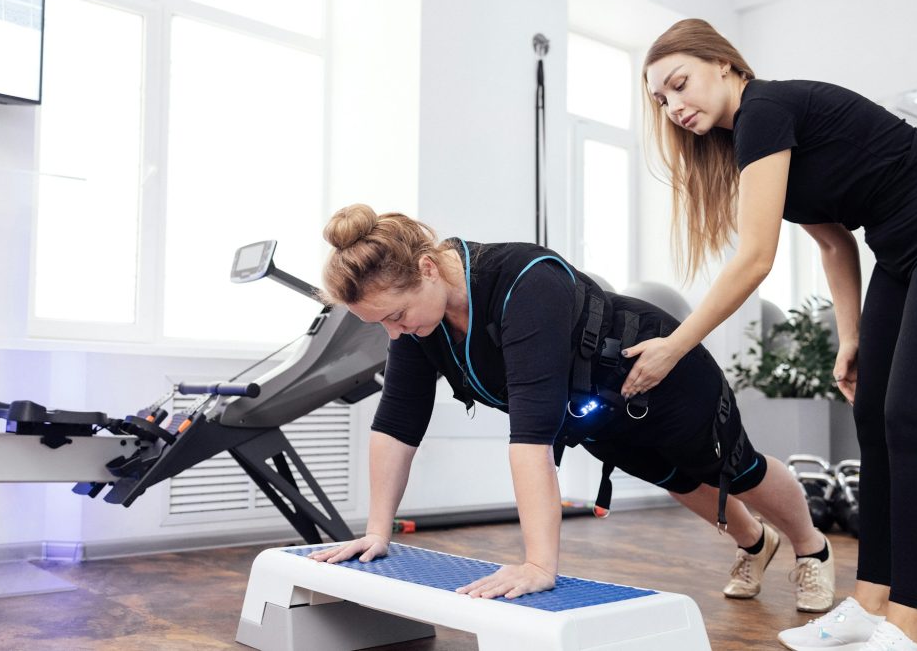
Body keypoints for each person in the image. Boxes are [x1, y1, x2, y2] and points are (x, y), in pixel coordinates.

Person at [630, 18, 917, 651]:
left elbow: (755, 258)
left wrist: (675, 345)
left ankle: (909, 627)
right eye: (661, 99)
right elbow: (832, 238)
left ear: (725, 65)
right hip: (899, 251)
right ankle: (872, 601)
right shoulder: (751, 137)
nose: (674, 106)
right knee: (872, 418)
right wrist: (850, 336)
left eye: (679, 84)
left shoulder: (766, 108)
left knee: (911, 420)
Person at [308, 204, 834, 613]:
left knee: (735, 470)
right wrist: (377, 530)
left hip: (662, 375)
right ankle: (755, 542)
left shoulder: (524, 280)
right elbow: (398, 423)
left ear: (426, 267)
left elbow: (530, 435)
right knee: (676, 477)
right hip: (598, 410)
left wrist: (539, 564)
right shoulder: (418, 320)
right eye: (381, 323)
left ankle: (811, 549)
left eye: (396, 315)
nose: (394, 332)